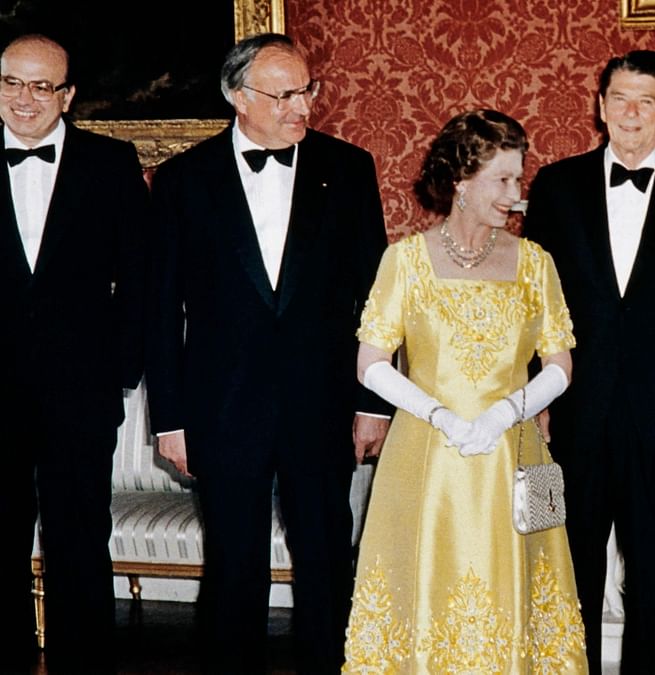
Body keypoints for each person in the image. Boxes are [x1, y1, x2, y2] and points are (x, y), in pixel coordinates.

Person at [144, 33, 390, 673]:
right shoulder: (181, 181)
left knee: (328, 555)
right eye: (282, 95)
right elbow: (161, 310)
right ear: (237, 97)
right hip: (221, 407)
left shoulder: (350, 168)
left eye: (305, 91)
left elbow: (377, 301)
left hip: (325, 401)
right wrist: (169, 420)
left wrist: (374, 402)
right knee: (232, 562)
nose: (300, 107)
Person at [341, 109, 586, 673]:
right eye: (502, 180)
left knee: (538, 589)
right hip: (427, 453)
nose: (515, 193)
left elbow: (561, 363)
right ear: (460, 182)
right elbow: (370, 363)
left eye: (518, 179)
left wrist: (503, 414)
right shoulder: (403, 260)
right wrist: (445, 418)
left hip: (524, 453)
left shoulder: (535, 262)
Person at [522, 49, 655, 673]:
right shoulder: (556, 186)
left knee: (653, 570)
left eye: (647, 101)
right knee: (571, 564)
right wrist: (537, 397)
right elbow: (534, 305)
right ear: (600, 106)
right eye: (620, 98)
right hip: (573, 409)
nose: (632, 113)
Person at [0, 33, 148, 674]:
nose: (23, 99)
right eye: (11, 82)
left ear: (68, 96)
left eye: (41, 86)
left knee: (80, 535)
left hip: (81, 388)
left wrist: (120, 366)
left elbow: (142, 276)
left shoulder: (110, 163)